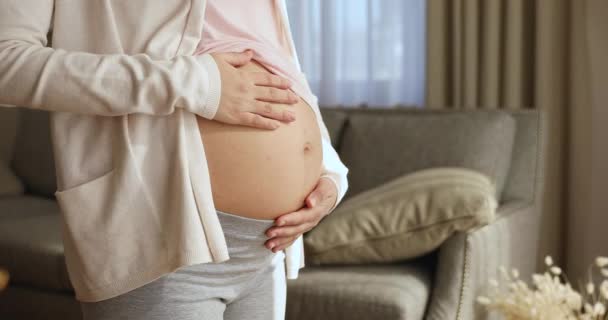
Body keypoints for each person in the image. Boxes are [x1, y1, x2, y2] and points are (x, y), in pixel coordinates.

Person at [0, 0, 349, 319]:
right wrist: (194, 82)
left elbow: (277, 64)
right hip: (160, 240)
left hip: (268, 252)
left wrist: (329, 172)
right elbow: (6, 62)